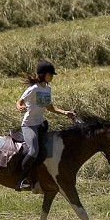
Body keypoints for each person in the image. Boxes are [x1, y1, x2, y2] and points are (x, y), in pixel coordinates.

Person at [14, 60, 76, 191]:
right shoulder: (33, 89)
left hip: (41, 125)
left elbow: (50, 107)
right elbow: (19, 101)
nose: (52, 76)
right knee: (33, 151)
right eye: (50, 74)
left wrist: (65, 113)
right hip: (29, 126)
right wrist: (20, 107)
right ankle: (20, 179)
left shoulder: (48, 88)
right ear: (43, 75)